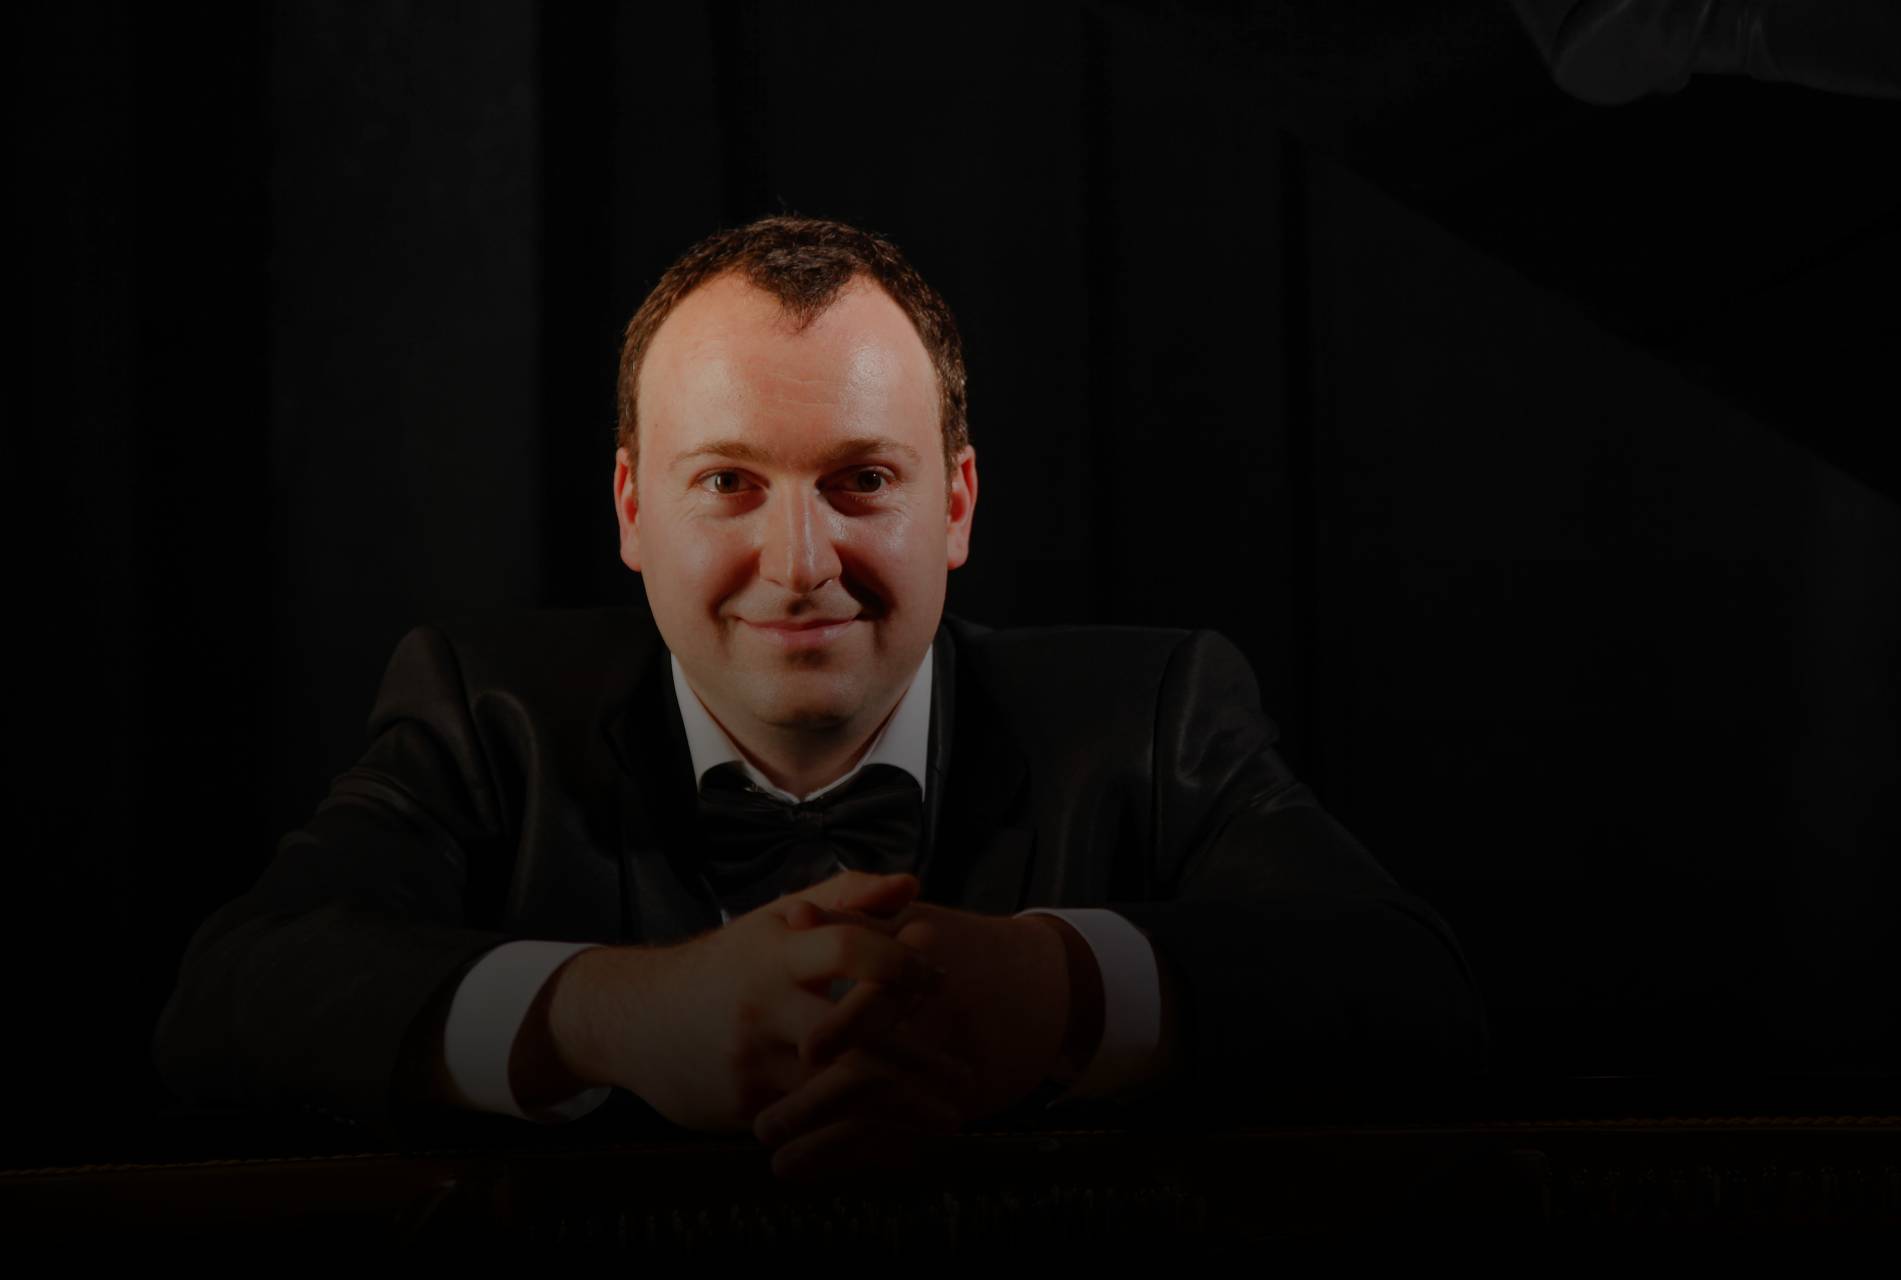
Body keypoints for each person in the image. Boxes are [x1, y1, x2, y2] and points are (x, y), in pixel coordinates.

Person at [154, 215, 1488, 1181]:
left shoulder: (1155, 713)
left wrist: (1054, 988)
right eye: (728, 483)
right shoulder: (478, 713)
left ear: (956, 504)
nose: (800, 566)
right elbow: (227, 999)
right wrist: (622, 1018)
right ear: (632, 508)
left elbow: (1416, 988)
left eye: (863, 480)